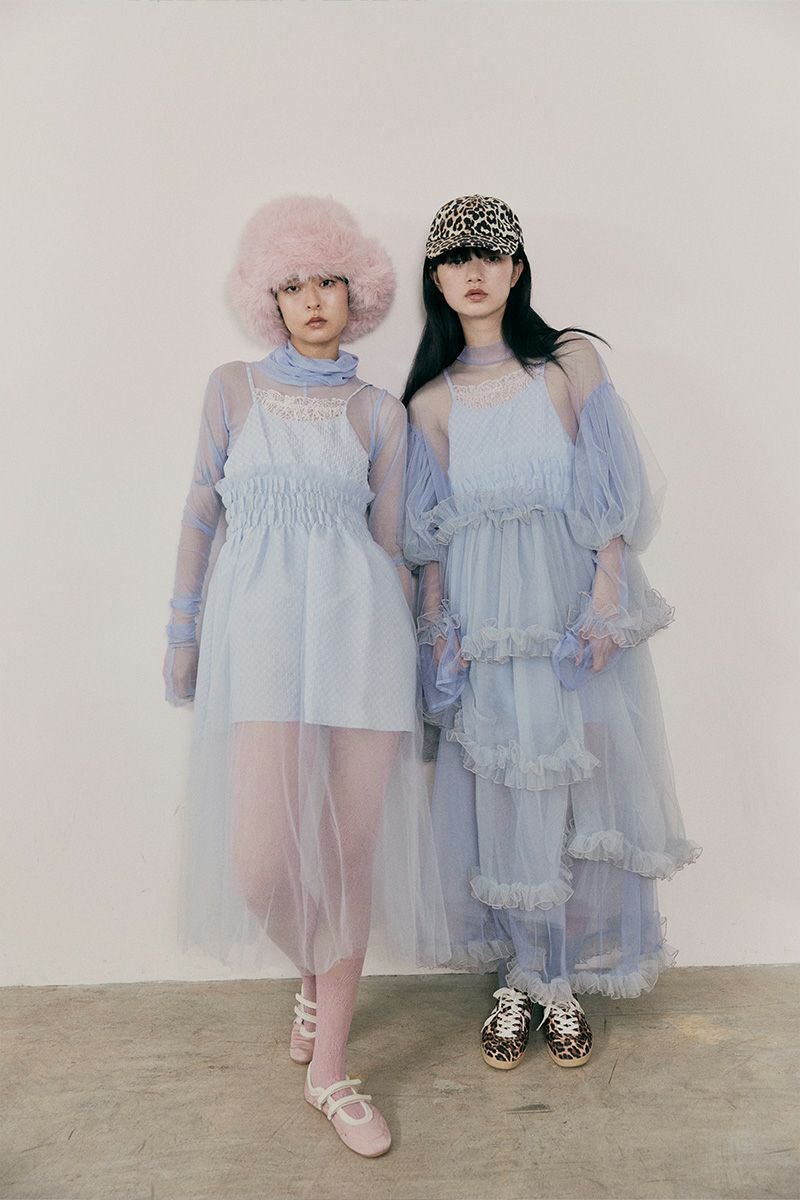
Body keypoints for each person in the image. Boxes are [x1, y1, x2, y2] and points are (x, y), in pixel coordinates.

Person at [164, 195, 447, 1156]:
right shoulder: (231, 390)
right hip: (262, 647)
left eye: (330, 280)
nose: (313, 299)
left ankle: (331, 1069)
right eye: (292, 284)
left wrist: (427, 652)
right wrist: (183, 629)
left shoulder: (379, 414)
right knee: (262, 864)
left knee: (349, 857)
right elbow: (201, 514)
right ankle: (315, 981)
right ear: (268, 298)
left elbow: (393, 548)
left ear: (357, 292)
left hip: (363, 641)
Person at [403, 194, 700, 1072]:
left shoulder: (568, 362)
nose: (474, 272)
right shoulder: (431, 401)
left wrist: (605, 606)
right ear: (435, 279)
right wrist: (439, 633)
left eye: (490, 255)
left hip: (569, 618)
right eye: (455, 259)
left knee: (582, 797)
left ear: (518, 269)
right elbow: (430, 539)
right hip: (490, 630)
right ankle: (523, 977)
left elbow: (610, 491)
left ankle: (560, 980)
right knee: (508, 801)